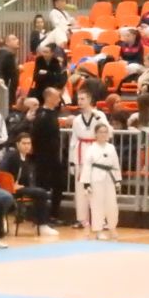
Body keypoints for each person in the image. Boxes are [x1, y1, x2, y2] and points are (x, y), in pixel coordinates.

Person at [69, 86, 111, 230]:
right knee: (81, 189)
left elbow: (109, 133)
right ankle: (81, 219)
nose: (80, 102)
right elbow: (73, 141)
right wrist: (72, 162)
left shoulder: (99, 115)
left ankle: (101, 219)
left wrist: (99, 119)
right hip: (81, 153)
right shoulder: (77, 119)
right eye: (78, 99)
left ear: (90, 100)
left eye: (83, 99)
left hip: (96, 151)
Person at [0, 133, 58, 236]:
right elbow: (2, 173)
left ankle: (39, 223)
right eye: (24, 143)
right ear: (17, 144)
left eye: (29, 143)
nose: (27, 146)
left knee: (41, 193)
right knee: (41, 193)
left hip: (21, 188)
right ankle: (41, 225)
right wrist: (11, 185)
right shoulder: (11, 156)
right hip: (9, 189)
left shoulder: (27, 159)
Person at [80, 123, 121, 241]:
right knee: (97, 205)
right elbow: (87, 166)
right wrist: (86, 184)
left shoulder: (111, 148)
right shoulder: (91, 149)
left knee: (112, 205)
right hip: (95, 178)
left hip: (109, 178)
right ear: (96, 134)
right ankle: (98, 231)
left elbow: (115, 164)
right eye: (101, 132)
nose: (103, 134)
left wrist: (118, 180)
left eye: (105, 132)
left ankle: (112, 228)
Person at [31, 87, 65, 223]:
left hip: (54, 156)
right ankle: (40, 216)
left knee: (59, 184)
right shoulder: (42, 115)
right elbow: (35, 135)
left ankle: (53, 215)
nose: (59, 100)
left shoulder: (52, 113)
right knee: (42, 187)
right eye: (57, 97)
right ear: (49, 98)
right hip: (43, 157)